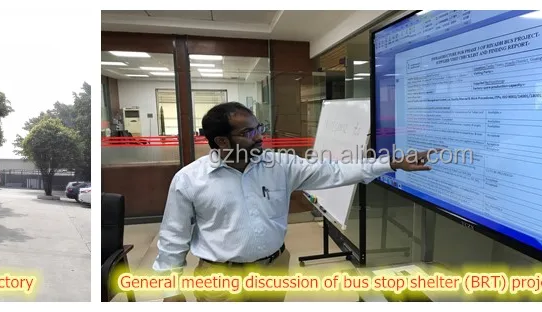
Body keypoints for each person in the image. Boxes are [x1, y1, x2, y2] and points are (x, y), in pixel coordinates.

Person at [153, 102, 436, 302]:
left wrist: (391, 163)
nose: (259, 137)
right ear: (222, 142)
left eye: (258, 128)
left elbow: (334, 171)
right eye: (248, 133)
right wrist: (170, 290)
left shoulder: (280, 165)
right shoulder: (189, 180)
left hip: (274, 268)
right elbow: (172, 238)